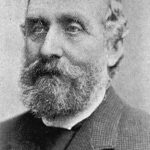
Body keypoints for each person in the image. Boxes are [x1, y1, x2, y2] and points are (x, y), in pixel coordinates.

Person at [0, 0, 150, 149]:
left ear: (112, 48)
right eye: (37, 28)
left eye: (73, 29)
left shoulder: (143, 139)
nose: (47, 49)